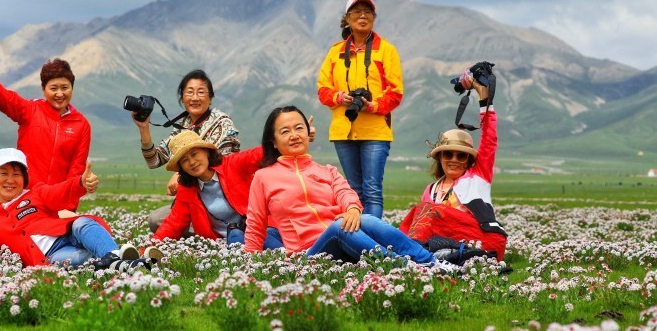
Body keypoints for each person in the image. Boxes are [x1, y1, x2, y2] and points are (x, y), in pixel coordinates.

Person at [244, 106, 444, 267]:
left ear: (308, 132)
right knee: (340, 226)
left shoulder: (327, 170)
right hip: (308, 256)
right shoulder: (263, 177)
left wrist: (353, 209)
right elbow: (255, 224)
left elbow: (345, 193)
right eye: (285, 131)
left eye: (299, 128)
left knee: (367, 219)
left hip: (346, 243)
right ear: (274, 142)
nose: (294, 135)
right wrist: (250, 267)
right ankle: (405, 268)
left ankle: (431, 262)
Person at [0, 148, 159, 269]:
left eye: (16, 174)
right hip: (49, 254)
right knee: (83, 259)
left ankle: (118, 259)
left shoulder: (35, 193)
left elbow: (58, 192)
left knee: (82, 223)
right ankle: (135, 262)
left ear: (24, 179)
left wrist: (80, 182)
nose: (10, 180)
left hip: (66, 234)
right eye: (3, 173)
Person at [0, 39, 91, 202]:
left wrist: (68, 208)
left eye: (64, 87)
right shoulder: (30, 110)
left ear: (72, 88)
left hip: (58, 202)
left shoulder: (81, 124)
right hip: (25, 199)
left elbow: (77, 170)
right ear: (43, 90)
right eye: (53, 88)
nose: (59, 93)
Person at [400, 75, 507, 261]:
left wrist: (484, 100)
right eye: (448, 154)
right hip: (451, 241)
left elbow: (489, 140)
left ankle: (408, 256)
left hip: (484, 240)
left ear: (469, 159)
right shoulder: (431, 190)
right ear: (440, 157)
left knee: (427, 210)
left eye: (461, 155)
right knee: (415, 214)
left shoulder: (478, 176)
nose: (454, 159)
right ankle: (427, 256)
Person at [316, 0, 404, 219]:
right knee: (354, 191)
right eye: (356, 12)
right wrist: (339, 97)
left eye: (368, 12)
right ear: (347, 18)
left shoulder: (386, 50)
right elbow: (322, 89)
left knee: (372, 191)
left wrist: (372, 106)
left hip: (375, 131)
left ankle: (372, 242)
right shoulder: (335, 52)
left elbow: (395, 92)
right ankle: (359, 240)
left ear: (374, 18)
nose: (362, 16)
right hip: (343, 131)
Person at [133, 69, 240, 230]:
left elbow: (221, 161)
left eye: (201, 92)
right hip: (192, 198)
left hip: (224, 197)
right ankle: (211, 230)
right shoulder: (182, 127)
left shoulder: (223, 122)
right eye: (189, 92)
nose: (195, 98)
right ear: (182, 98)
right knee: (156, 220)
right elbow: (154, 161)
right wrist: (144, 128)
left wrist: (180, 174)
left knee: (170, 224)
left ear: (210, 98)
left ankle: (222, 228)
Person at [152, 131, 283, 249]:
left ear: (206, 152)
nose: (192, 162)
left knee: (260, 235)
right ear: (181, 167)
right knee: (236, 236)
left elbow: (260, 154)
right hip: (224, 244)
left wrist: (288, 138)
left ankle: (288, 256)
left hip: (261, 230)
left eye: (194, 154)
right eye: (185, 160)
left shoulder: (232, 164)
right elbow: (174, 223)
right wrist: (148, 248)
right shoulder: (186, 189)